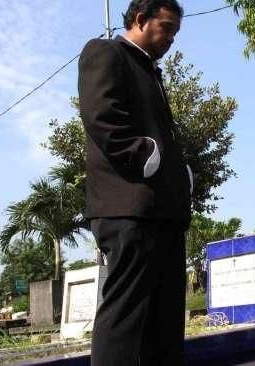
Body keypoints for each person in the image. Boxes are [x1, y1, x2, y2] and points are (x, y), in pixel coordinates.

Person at [78, 1, 192, 364]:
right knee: (126, 317)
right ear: (140, 19)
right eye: (167, 27)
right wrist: (144, 155)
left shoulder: (150, 70)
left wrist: (181, 174)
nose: (172, 37)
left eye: (176, 31)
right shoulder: (106, 52)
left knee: (165, 318)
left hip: (165, 210)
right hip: (128, 208)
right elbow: (101, 116)